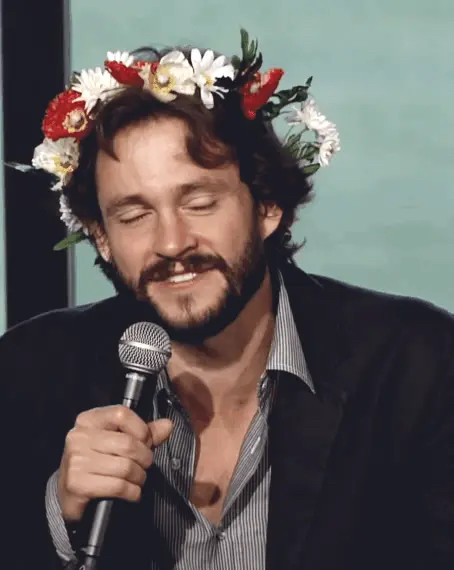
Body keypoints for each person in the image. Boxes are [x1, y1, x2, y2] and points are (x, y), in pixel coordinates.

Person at [1, 30, 453, 570]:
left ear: (267, 204)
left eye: (198, 202)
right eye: (135, 215)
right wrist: (63, 514)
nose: (171, 244)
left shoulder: (419, 366)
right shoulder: (27, 370)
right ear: (100, 236)